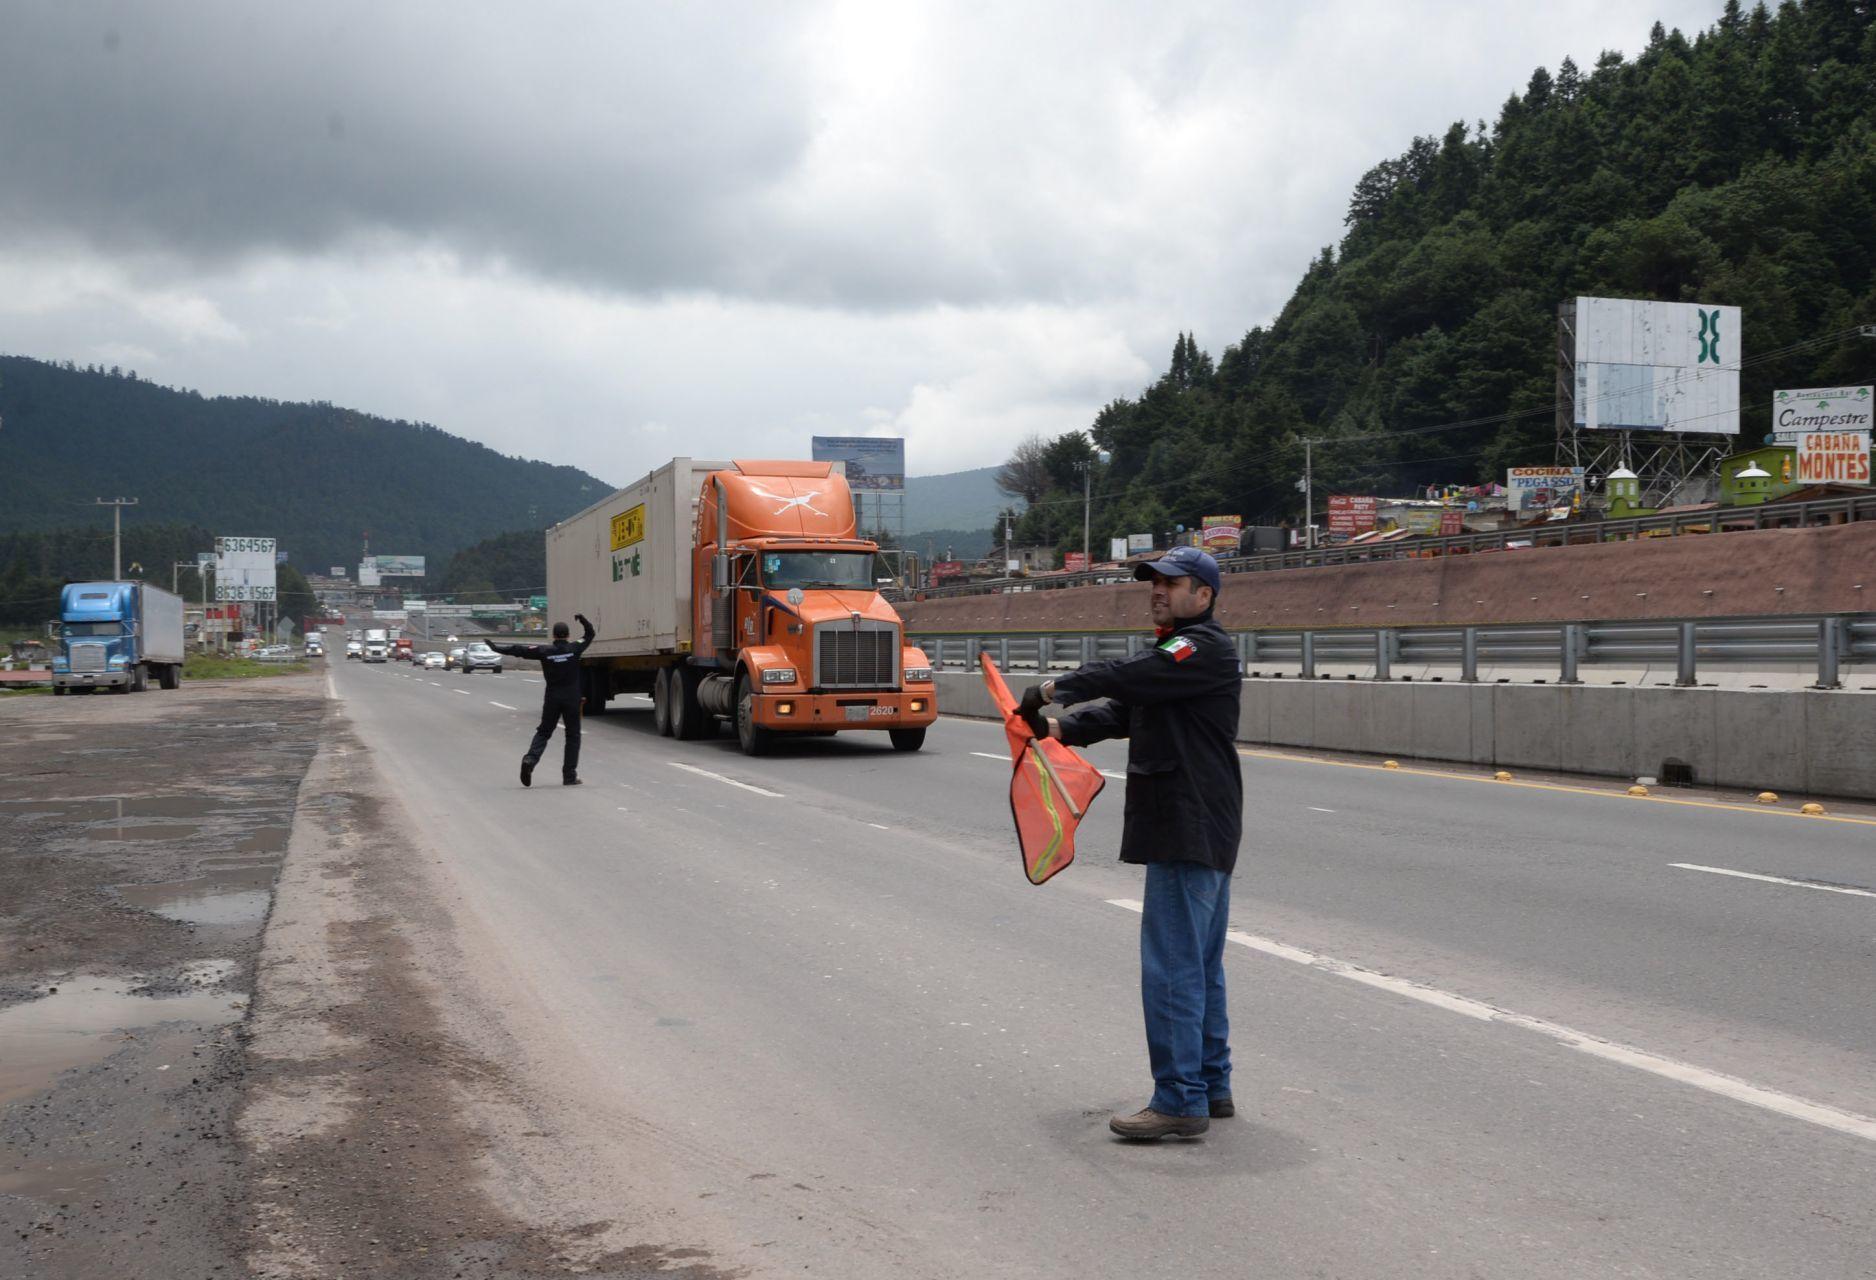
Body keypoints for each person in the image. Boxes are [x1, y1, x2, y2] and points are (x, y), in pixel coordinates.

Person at [1018, 545, 1243, 1140]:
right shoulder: (1176, 658)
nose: (1158, 590)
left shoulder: (1198, 648)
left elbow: (1131, 677)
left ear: (1204, 595)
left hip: (1187, 824)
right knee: (1199, 964)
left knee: (1172, 966)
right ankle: (1210, 1084)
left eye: (1172, 582)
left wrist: (1055, 687)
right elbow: (1125, 710)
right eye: (1153, 582)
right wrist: (1056, 728)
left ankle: (1179, 1099)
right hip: (1200, 823)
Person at [490, 614, 596, 787]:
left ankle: (530, 760)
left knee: (544, 732)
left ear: (553, 635)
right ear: (568, 635)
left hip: (552, 699)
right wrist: (583, 620)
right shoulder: (575, 648)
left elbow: (520, 650)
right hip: (572, 699)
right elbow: (590, 634)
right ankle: (569, 776)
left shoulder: (544, 651)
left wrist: (497, 648)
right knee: (573, 736)